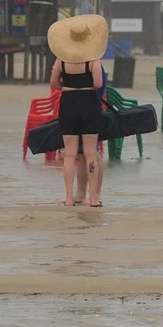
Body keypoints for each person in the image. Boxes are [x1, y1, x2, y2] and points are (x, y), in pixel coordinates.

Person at [48, 14, 108, 207]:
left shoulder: (60, 62)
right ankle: (93, 198)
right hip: (89, 103)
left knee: (69, 154)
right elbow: (98, 84)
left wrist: (68, 87)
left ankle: (69, 197)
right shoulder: (94, 61)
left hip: (68, 102)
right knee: (91, 152)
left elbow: (54, 83)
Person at [75, 62, 107, 205]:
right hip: (77, 109)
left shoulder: (95, 64)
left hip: (91, 108)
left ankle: (96, 193)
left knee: (93, 151)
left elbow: (98, 85)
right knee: (81, 153)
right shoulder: (76, 64)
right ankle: (80, 193)